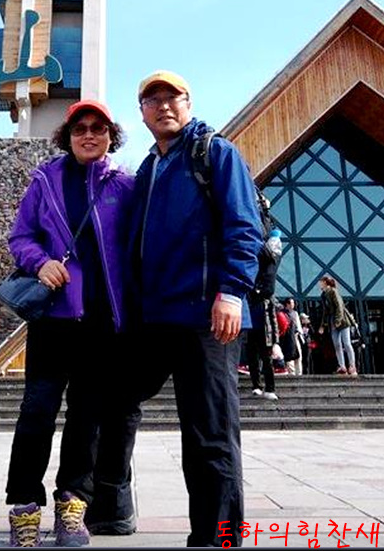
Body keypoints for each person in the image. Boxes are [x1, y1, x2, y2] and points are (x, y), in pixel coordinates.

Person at [104, 70, 263, 548]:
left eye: (172, 97)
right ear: (142, 113)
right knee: (113, 398)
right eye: (152, 100)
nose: (163, 106)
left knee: (209, 430)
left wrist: (232, 292)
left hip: (208, 316)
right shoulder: (148, 169)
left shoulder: (215, 153)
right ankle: (111, 509)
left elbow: (243, 226)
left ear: (188, 103)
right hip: (154, 317)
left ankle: (217, 537)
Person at [1, 99, 136, 548]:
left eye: (98, 128)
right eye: (80, 128)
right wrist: (40, 263)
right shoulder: (45, 180)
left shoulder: (126, 186)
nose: (89, 135)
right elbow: (21, 236)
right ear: (68, 136)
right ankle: (24, 506)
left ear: (111, 136)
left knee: (87, 417)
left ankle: (73, 505)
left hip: (103, 323)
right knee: (37, 411)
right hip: (54, 320)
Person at [319, 275, 357, 375]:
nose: (319, 285)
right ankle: (342, 366)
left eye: (321, 282)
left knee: (347, 343)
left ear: (325, 282)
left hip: (342, 320)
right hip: (332, 320)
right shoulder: (323, 295)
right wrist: (323, 325)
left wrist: (337, 321)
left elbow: (339, 307)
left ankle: (352, 365)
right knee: (337, 344)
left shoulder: (333, 291)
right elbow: (325, 311)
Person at [246, 293, 279, 400]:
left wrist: (276, 341)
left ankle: (270, 389)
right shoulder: (247, 296)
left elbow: (273, 319)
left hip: (265, 333)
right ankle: (256, 385)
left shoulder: (268, 297)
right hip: (249, 331)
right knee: (253, 360)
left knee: (267, 361)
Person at [280, 297, 304, 375]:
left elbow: (298, 325)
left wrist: (300, 335)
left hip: (296, 336)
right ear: (287, 304)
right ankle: (292, 373)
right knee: (289, 355)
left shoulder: (295, 313)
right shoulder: (283, 313)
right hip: (287, 337)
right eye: (291, 303)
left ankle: (299, 372)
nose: (293, 304)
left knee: (298, 355)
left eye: (293, 303)